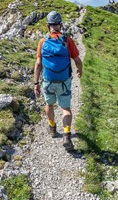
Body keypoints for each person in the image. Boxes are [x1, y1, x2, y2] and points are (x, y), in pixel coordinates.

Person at [33, 11, 83, 151]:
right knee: (66, 108)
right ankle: (66, 134)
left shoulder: (42, 41)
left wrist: (36, 83)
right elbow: (77, 60)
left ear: (48, 25)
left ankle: (52, 127)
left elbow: (38, 64)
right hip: (64, 80)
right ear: (60, 24)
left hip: (48, 80)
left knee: (49, 104)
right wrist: (80, 70)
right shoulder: (67, 41)